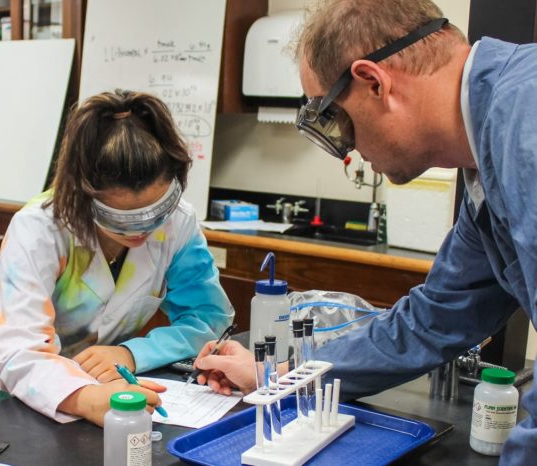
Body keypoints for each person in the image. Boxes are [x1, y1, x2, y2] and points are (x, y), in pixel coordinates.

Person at [194, 0, 537, 463]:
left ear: (374, 82)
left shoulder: (525, 125)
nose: (347, 152)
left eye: (334, 122)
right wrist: (281, 375)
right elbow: (431, 322)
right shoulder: (487, 158)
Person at [0, 89, 234, 426]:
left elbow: (208, 318)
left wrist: (132, 353)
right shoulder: (40, 228)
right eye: (121, 219)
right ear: (83, 196)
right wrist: (86, 398)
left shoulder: (178, 222)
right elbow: (19, 351)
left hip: (75, 383)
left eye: (157, 212)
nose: (143, 231)